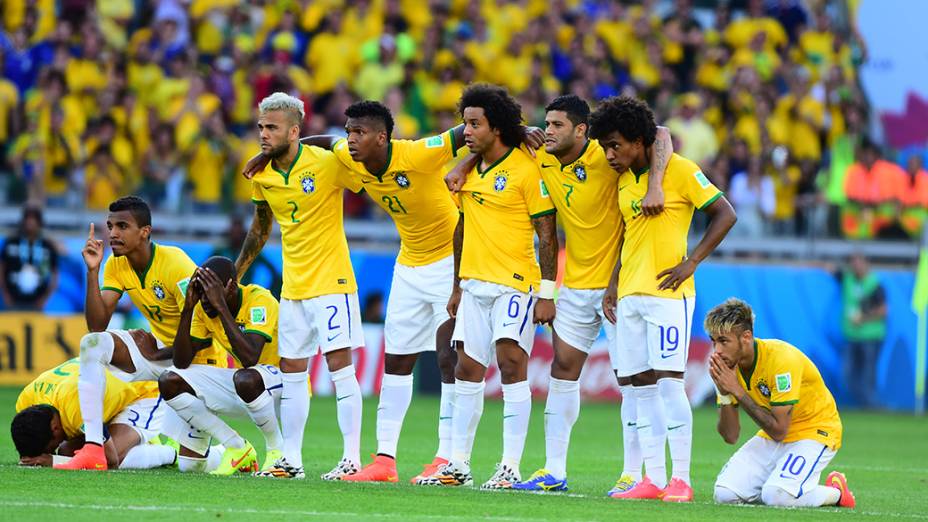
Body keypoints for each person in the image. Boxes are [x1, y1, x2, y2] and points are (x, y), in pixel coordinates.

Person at [445, 94, 674, 492]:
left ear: (581, 130)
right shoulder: (542, 157)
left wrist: (655, 183)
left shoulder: (608, 155)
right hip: (576, 287)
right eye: (546, 124)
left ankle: (633, 474)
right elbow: (492, 150)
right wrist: (465, 164)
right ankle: (554, 470)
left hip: (621, 285)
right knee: (562, 373)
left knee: (633, 380)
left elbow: (663, 134)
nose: (547, 131)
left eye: (557, 125)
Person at [598, 96, 736, 501]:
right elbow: (628, 236)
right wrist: (613, 284)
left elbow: (725, 213)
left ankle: (682, 480)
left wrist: (692, 261)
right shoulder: (625, 179)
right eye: (606, 146)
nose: (610, 154)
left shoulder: (680, 172)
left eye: (616, 145)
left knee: (670, 385)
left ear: (640, 142)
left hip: (668, 295)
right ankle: (653, 479)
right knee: (639, 387)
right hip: (631, 296)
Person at [426, 84, 558, 489]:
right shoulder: (469, 173)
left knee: (511, 364)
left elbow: (548, 234)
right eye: (465, 122)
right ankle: (459, 464)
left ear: (496, 127)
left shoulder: (526, 169)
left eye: (474, 124)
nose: (465, 131)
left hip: (515, 285)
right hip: (474, 285)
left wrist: (548, 292)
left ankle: (510, 466)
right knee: (467, 369)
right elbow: (462, 229)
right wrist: (456, 286)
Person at [235, 92, 364, 480]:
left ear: (294, 131)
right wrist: (237, 273)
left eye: (271, 127)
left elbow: (362, 172)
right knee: (292, 371)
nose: (262, 134)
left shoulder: (326, 162)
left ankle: (352, 458)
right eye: (260, 127)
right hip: (293, 288)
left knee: (340, 367)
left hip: (332, 281)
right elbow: (261, 226)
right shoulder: (264, 175)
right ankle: (290, 459)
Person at [63, 196, 227, 471]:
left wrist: (160, 352)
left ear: (145, 232)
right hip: (161, 353)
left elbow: (203, 336)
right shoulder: (116, 265)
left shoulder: (175, 263)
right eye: (110, 225)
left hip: (199, 360)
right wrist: (92, 272)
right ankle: (94, 447)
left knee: (191, 467)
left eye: (122, 226)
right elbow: (97, 324)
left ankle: (225, 454)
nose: (113, 233)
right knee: (93, 344)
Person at [707, 298, 856, 509]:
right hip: (775, 433)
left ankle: (836, 493)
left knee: (778, 497)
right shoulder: (728, 369)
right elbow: (730, 436)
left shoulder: (781, 360)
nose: (717, 351)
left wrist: (737, 391)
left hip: (814, 431)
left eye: (723, 341)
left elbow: (779, 430)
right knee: (725, 494)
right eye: (713, 341)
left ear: (746, 337)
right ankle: (781, 486)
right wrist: (724, 394)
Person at [158, 256, 286, 476]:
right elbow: (181, 361)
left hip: (282, 386)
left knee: (246, 376)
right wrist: (188, 309)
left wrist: (222, 308)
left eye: (210, 293)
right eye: (201, 293)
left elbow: (250, 357)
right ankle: (236, 446)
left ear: (231, 287)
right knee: (170, 379)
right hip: (245, 386)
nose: (205, 301)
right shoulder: (202, 307)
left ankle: (277, 452)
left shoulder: (260, 300)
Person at [12, 358, 176, 470]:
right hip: (105, 393)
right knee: (67, 451)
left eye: (49, 448)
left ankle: (171, 452)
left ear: (55, 428)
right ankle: (133, 438)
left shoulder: (77, 407)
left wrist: (54, 461)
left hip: (143, 390)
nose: (51, 451)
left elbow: (110, 460)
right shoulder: (25, 402)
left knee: (112, 453)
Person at [840, 253, 887, 408]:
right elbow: (828, 268)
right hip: (852, 336)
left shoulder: (875, 284)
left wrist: (863, 318)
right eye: (853, 263)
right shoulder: (848, 279)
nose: (856, 266)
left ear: (867, 264)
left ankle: (871, 405)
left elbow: (883, 311)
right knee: (847, 374)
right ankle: (863, 403)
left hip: (871, 336)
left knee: (868, 374)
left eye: (859, 262)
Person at [0, 205, 59, 311]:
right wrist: (5, 294)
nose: (30, 223)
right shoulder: (11, 242)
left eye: (34, 219)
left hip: (37, 303)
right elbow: (2, 269)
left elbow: (55, 274)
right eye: (27, 219)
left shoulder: (47, 246)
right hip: (12, 301)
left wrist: (44, 299)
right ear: (23, 221)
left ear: (39, 223)